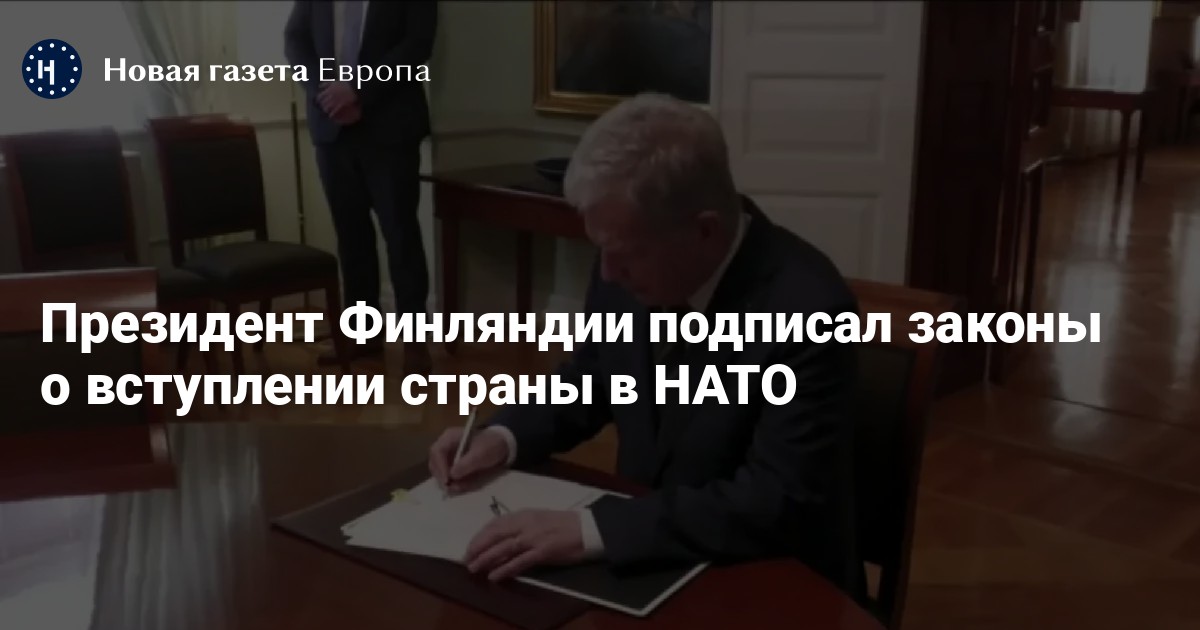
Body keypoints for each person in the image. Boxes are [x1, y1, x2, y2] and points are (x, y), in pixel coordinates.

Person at [428, 93, 865, 601]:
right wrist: (503, 436)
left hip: (772, 584)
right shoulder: (627, 259)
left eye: (624, 254)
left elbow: (775, 501)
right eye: (601, 250)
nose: (607, 273)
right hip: (649, 567)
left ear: (705, 231)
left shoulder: (810, 309)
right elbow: (593, 374)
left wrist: (593, 529)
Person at [284, 1, 436, 373]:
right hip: (332, 128)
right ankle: (363, 336)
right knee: (351, 237)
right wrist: (326, 92)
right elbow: (295, 39)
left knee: (400, 235)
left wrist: (357, 90)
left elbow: (416, 46)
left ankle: (415, 343)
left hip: (390, 127)